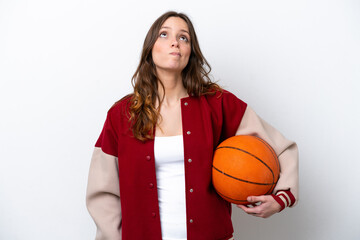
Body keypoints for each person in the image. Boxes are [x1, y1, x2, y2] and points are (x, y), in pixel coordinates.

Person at [86, 11, 299, 240]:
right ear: (150, 49)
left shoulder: (218, 104)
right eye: (164, 35)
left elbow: (282, 148)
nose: (175, 42)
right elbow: (102, 193)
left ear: (190, 52)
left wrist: (281, 199)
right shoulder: (122, 114)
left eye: (184, 37)